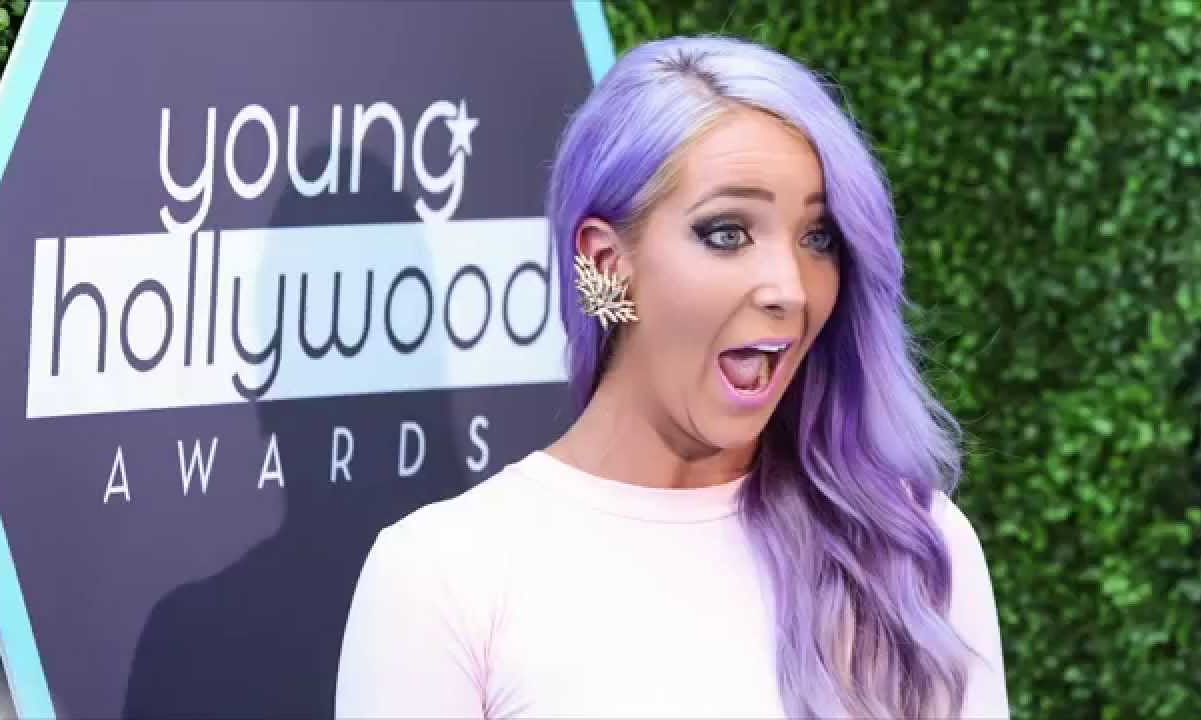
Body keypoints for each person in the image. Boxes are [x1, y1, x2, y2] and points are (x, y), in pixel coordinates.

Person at [335, 35, 1010, 719]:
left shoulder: (910, 550)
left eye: (818, 237)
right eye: (727, 233)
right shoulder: (442, 576)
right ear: (605, 261)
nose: (790, 288)